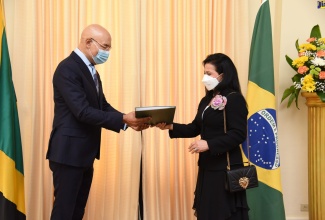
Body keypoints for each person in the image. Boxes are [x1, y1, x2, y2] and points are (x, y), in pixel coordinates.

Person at [46, 24, 151, 220]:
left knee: (77, 211)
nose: (107, 53)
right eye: (105, 47)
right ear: (88, 42)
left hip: (84, 153)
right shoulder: (68, 68)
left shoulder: (90, 70)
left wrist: (129, 121)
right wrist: (122, 119)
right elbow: (83, 112)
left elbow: (102, 105)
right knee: (64, 212)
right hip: (68, 153)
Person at [156, 53, 249, 220]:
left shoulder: (234, 99)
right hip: (207, 166)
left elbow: (239, 134)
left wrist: (209, 144)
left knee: (222, 213)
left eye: (209, 73)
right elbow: (195, 127)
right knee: (207, 211)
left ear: (223, 75)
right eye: (204, 73)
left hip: (225, 167)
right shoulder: (206, 100)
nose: (205, 77)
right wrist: (170, 126)